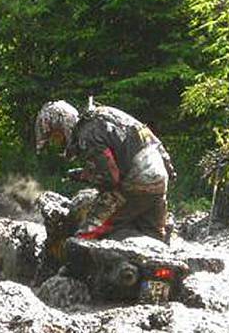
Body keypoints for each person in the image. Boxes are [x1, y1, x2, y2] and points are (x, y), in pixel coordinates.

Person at [35, 98, 175, 243]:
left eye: (57, 136)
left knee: (82, 238)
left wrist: (86, 176)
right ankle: (161, 266)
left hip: (136, 183)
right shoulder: (107, 114)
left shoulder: (87, 134)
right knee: (155, 239)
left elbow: (110, 178)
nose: (58, 142)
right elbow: (152, 140)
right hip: (159, 180)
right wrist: (169, 172)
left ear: (64, 124)